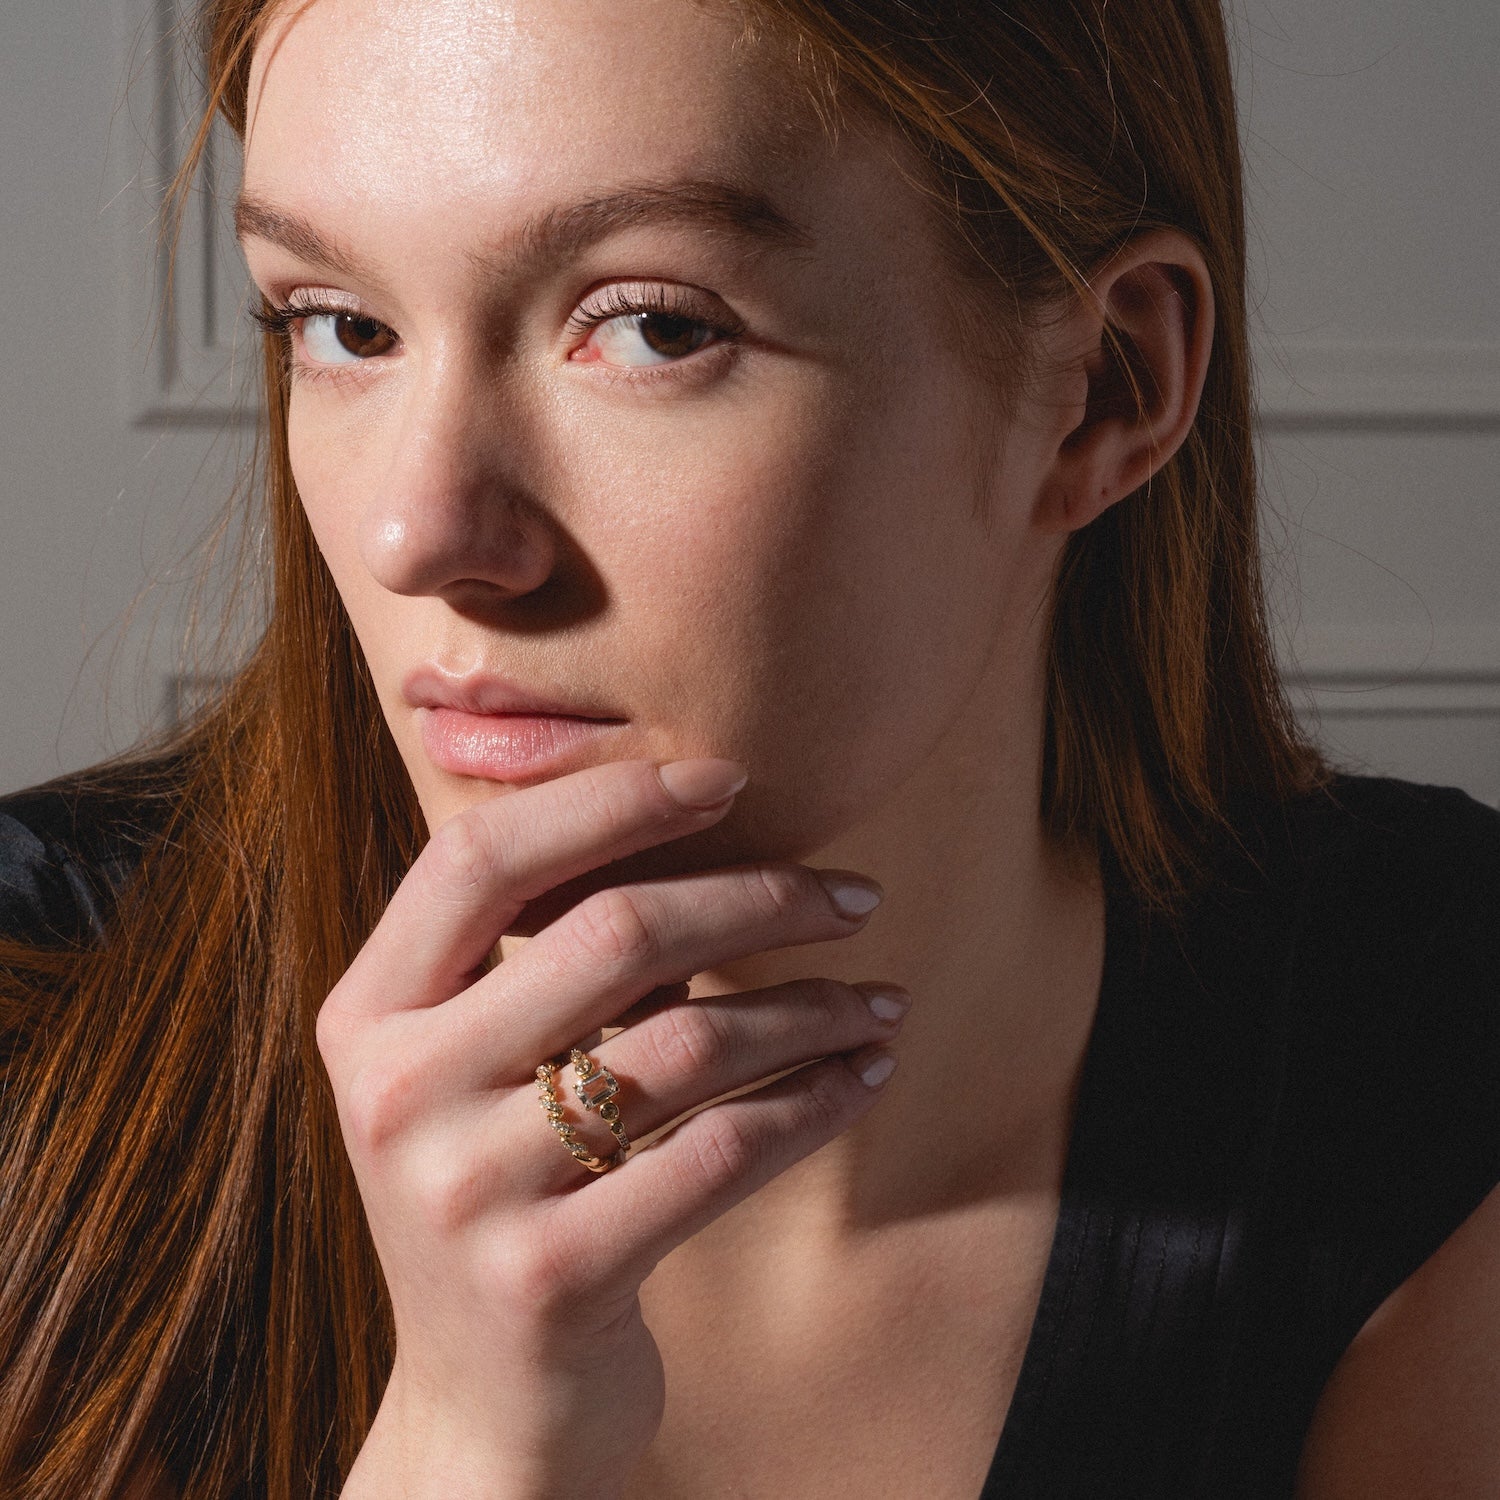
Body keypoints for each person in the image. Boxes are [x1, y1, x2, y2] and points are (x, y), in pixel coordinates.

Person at [0, 0, 1496, 1494]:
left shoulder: (1433, 1051)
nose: (421, 530)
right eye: (341, 324)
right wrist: (462, 1446)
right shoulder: (32, 1017)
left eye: (654, 324)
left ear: (1103, 387)